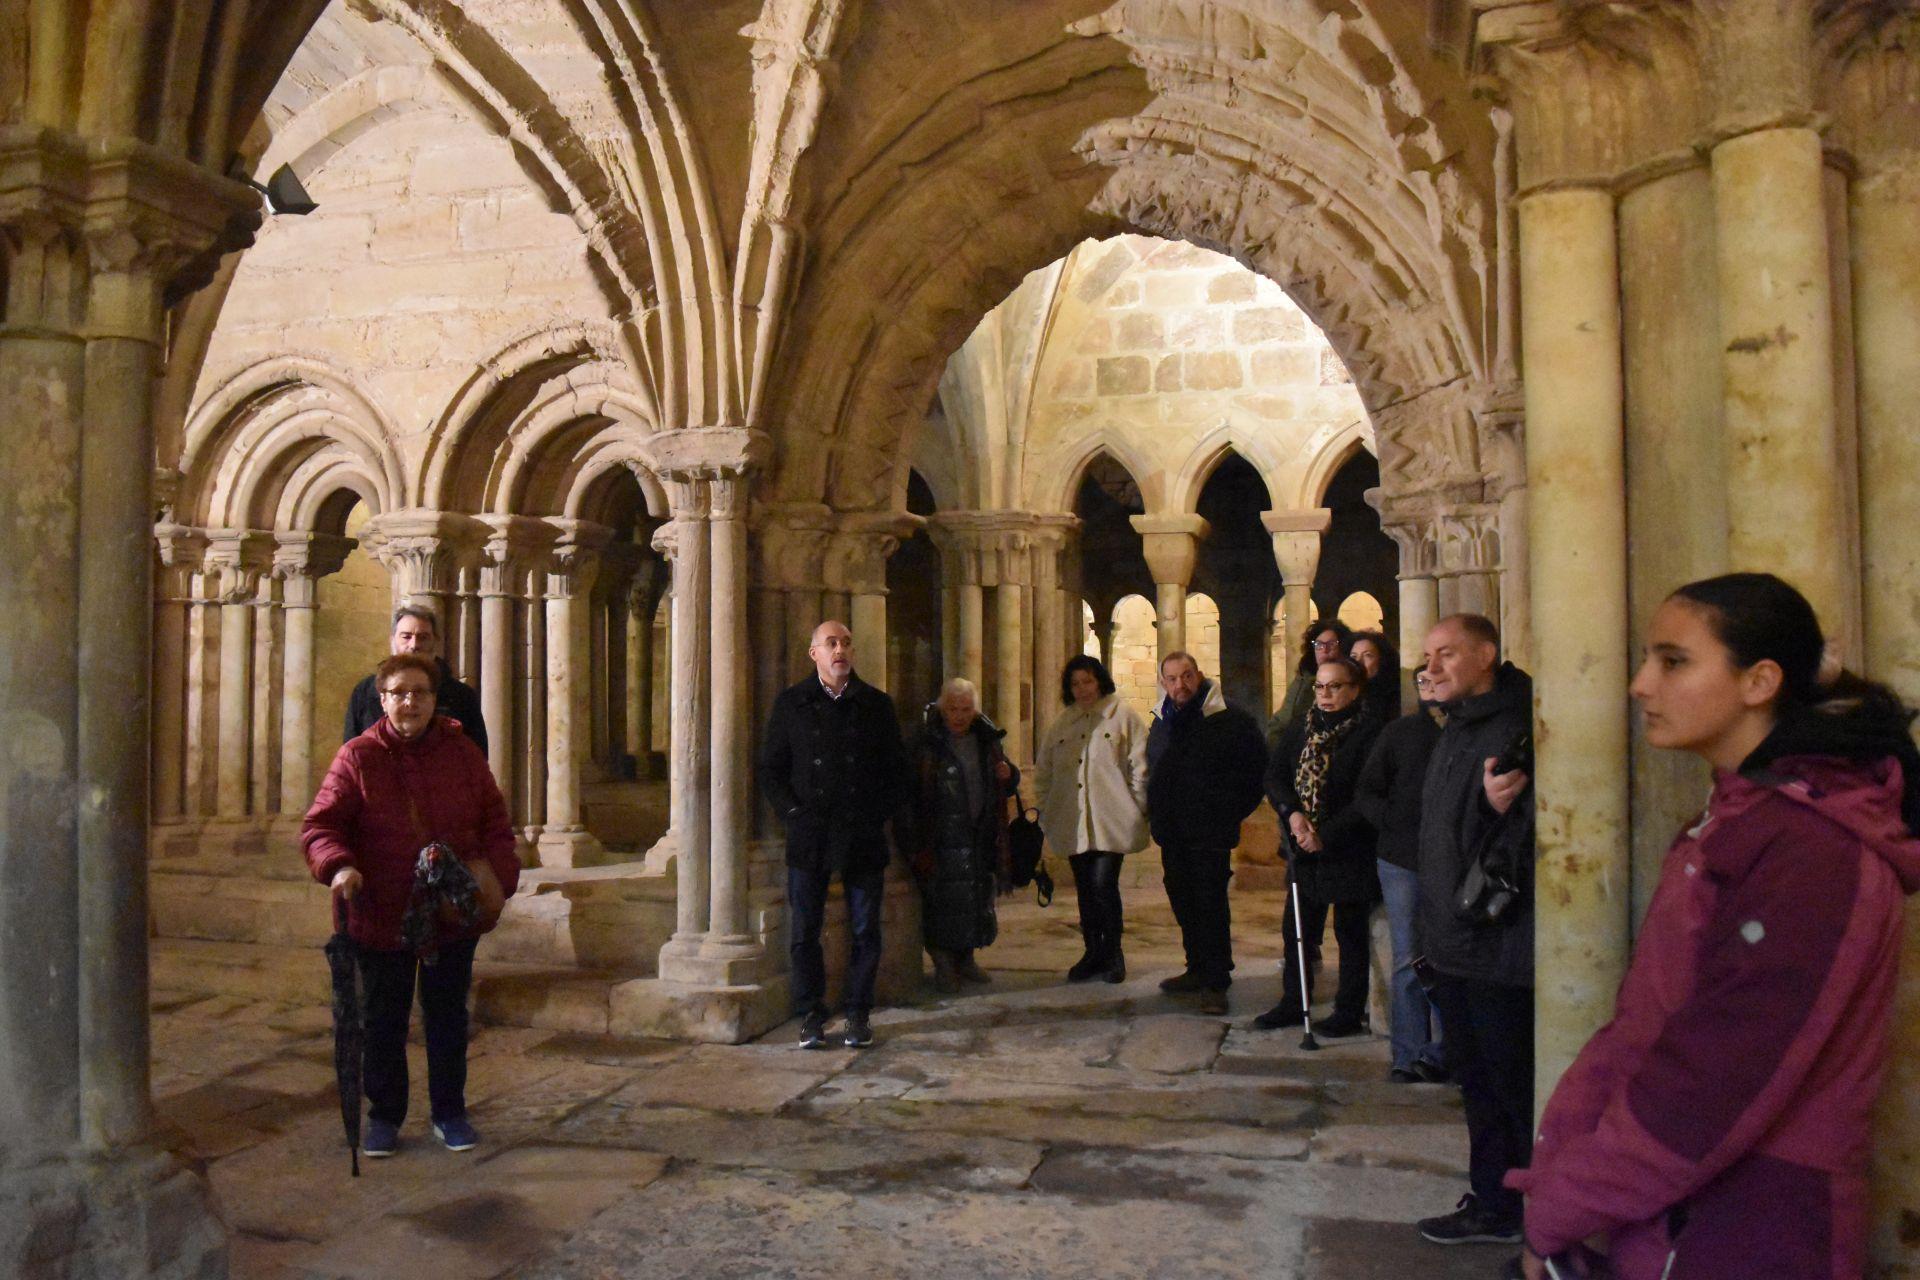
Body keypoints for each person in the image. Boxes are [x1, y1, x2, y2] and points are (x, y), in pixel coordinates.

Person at [1511, 574, 1920, 1280]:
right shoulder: (1737, 820)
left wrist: (1566, 1204)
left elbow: (1720, 1075)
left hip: (1748, 1230)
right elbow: (1652, 1020)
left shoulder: (1814, 852)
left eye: (1673, 662)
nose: (1640, 684)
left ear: (1760, 681)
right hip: (1676, 1217)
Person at [302, 652, 519, 1158]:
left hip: (448, 910)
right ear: (382, 699)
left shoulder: (460, 752)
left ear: (433, 699)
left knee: (446, 1014)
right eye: (399, 692)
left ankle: (449, 1112)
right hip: (382, 909)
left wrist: (500, 880)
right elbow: (320, 827)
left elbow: (494, 820)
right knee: (384, 1018)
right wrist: (339, 866)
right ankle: (384, 1116)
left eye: (420, 692)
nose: (410, 702)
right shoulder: (357, 757)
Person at [1413, 613, 1536, 1247]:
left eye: (1447, 655)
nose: (1430, 669)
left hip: (1496, 946)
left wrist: (1497, 809)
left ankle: (1517, 1206)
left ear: (1486, 655)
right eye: (1427, 656)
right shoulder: (1459, 728)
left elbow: (1533, 834)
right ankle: (1494, 1197)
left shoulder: (1514, 726)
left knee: (1507, 1085)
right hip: (1458, 942)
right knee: (1477, 1081)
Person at [758, 620, 907, 1050]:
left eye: (845, 643)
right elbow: (771, 769)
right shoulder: (792, 704)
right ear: (814, 654)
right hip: (810, 833)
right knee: (805, 929)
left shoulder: (876, 705)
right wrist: (792, 813)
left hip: (861, 832)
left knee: (865, 929)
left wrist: (878, 813)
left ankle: (858, 1013)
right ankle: (811, 1014)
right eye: (831, 643)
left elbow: (896, 771)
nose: (839, 649)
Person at [1258, 655, 1384, 1037]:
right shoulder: (1303, 727)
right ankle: (1294, 1001)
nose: (1325, 694)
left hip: (1348, 848)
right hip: (1302, 846)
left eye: (1335, 687)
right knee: (1297, 928)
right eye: (1320, 687)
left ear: (1355, 689)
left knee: (1350, 933)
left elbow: (1367, 795)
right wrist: (1293, 816)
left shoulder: (1371, 733)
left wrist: (1324, 835)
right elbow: (1276, 776)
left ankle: (1347, 1010)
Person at [1147, 651, 1267, 1017]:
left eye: (1186, 677)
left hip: (1209, 831)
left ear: (1198, 676)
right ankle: (1196, 968)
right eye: (1171, 679)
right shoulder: (1162, 719)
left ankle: (1216, 981)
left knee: (1210, 904)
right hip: (1173, 830)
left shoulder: (1229, 719)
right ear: (1163, 683)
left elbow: (1256, 771)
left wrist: (1226, 812)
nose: (1180, 685)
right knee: (1183, 898)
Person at [1033, 654, 1150, 984]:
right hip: (1073, 820)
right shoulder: (1063, 723)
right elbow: (1045, 771)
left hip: (1111, 819)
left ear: (1099, 680)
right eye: (1075, 683)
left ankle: (1113, 953)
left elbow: (1139, 766)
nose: (1082, 688)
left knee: (1103, 886)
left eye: (1087, 680)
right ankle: (1092, 952)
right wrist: (1048, 808)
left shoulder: (1122, 715)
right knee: (1085, 889)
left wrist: (1137, 808)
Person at [1355, 670, 1448, 1082]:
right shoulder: (1400, 733)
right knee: (1409, 957)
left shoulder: (1465, 733)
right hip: (1402, 859)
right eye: (1423, 678)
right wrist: (1392, 824)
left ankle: (1445, 1051)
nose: (1430, 685)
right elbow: (1368, 790)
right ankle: (1408, 1054)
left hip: (1453, 862)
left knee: (1451, 956)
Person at [907, 679, 1017, 994]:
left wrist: (1009, 775)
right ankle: (944, 964)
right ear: (943, 709)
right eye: (953, 709)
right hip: (939, 836)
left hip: (978, 834)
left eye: (966, 709)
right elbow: (913, 791)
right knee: (941, 904)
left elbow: (1004, 777)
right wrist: (915, 839)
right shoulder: (929, 742)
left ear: (974, 710)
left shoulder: (985, 738)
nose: (959, 715)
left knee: (976, 898)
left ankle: (966, 958)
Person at [344, 604, 488, 758]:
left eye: (423, 637)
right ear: (392, 640)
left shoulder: (461, 696)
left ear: (435, 641)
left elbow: (476, 758)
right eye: (406, 637)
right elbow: (352, 755)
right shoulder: (366, 692)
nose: (414, 645)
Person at [1267, 618, 1353, 750]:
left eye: (1331, 644)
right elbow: (1283, 719)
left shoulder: (1351, 681)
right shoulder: (1304, 678)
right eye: (1318, 645)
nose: (1324, 650)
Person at [1348, 629, 1402, 722]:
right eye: (1354, 656)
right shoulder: (1345, 694)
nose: (1359, 661)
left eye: (1367, 655)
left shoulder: (1394, 699)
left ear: (1382, 660)